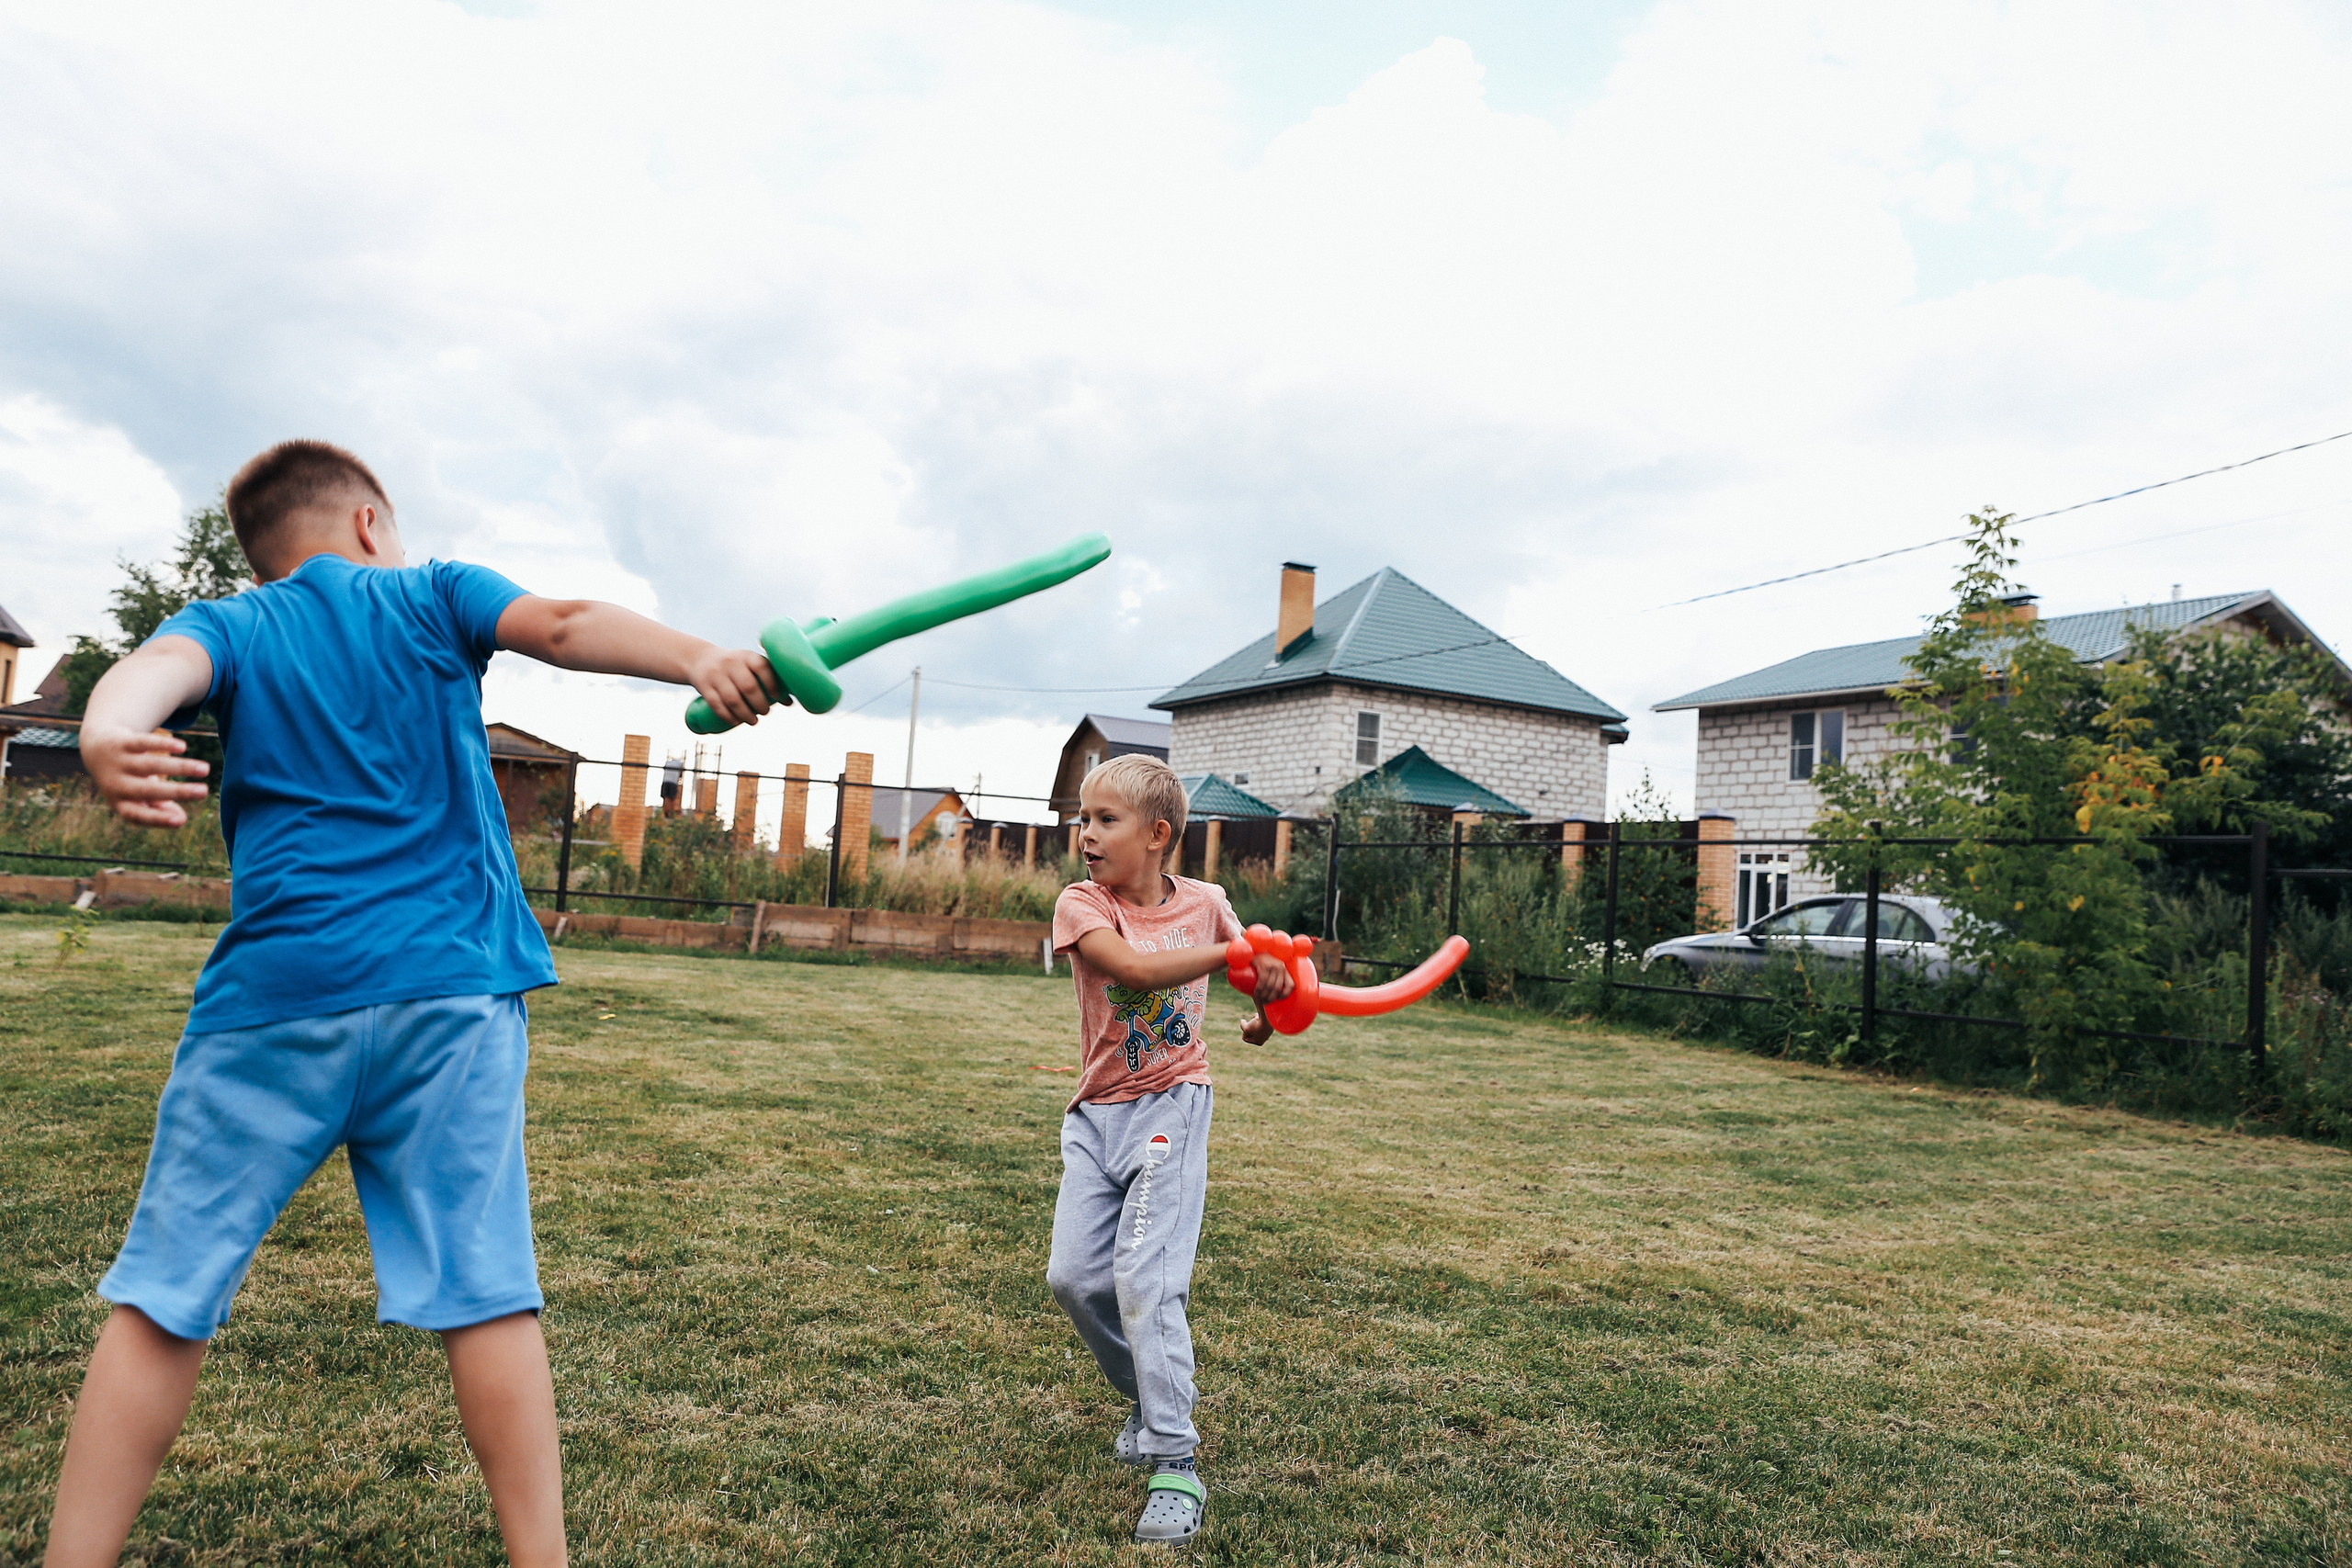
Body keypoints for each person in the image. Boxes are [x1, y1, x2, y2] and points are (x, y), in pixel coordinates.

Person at [49, 439, 781, 1568]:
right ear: (369, 527)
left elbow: (153, 673)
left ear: (265, 553)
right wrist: (698, 658)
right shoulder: (434, 592)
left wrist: (106, 729)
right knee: (487, 1296)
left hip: (276, 1004)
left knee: (162, 1295)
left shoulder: (233, 623)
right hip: (453, 997)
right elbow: (570, 625)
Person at [1046, 753, 1293, 1548]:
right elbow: (1136, 972)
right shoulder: (1082, 904)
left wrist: (1265, 1008)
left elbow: (1259, 978)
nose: (1085, 835)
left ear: (1158, 835)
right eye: (1083, 819)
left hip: (1173, 1106)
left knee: (1146, 1279)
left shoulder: (1210, 902)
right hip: (1096, 1116)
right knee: (1075, 1279)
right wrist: (1233, 959)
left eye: (1103, 820)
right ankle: (1147, 1396)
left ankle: (1174, 1459)